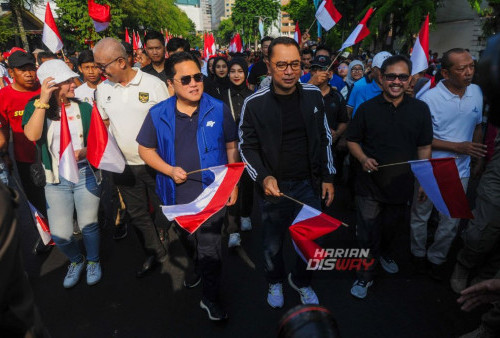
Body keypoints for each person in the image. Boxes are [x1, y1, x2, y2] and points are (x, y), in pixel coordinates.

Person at [136, 51, 238, 320]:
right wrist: (169, 170)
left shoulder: (218, 108)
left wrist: (232, 182)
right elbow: (145, 149)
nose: (194, 83)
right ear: (171, 84)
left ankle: (210, 298)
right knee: (189, 239)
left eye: (198, 77)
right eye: (186, 79)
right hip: (176, 197)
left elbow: (230, 145)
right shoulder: (157, 114)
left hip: (213, 195)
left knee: (211, 248)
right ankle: (199, 267)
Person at [239, 37, 335, 308]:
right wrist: (262, 176)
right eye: (281, 64)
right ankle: (275, 280)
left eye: (295, 64)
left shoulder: (313, 95)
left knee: (309, 240)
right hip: (273, 191)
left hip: (310, 185)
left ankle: (302, 282)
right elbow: (247, 146)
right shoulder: (254, 103)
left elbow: (325, 137)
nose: (289, 71)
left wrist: (328, 177)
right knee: (272, 244)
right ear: (268, 66)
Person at [346, 55, 433, 299]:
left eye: (402, 77)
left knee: (390, 229)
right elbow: (352, 140)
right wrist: (363, 159)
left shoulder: (420, 110)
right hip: (369, 187)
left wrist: (424, 180)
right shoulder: (366, 109)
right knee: (366, 234)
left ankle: (383, 252)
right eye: (391, 76)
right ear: (382, 79)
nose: (396, 81)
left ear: (409, 80)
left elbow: (424, 147)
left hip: (401, 186)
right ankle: (364, 276)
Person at [93, 37, 170, 277]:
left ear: (121, 61)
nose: (99, 71)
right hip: (122, 167)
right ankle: (155, 252)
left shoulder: (153, 84)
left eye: (102, 66)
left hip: (155, 164)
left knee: (164, 209)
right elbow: (105, 125)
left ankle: (170, 239)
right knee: (137, 214)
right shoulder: (103, 89)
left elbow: (168, 124)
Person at [23, 59, 102, 288]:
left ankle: (94, 261)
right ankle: (77, 260)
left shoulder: (84, 108)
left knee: (89, 225)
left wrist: (86, 151)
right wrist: (43, 101)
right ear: (53, 84)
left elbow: (97, 143)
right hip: (55, 180)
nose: (74, 84)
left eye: (72, 80)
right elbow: (32, 135)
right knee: (60, 234)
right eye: (67, 81)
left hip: (84, 173)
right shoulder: (35, 106)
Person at [409, 48, 486, 280]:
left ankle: (437, 259)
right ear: (444, 72)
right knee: (421, 215)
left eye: (471, 66)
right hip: (430, 168)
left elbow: (478, 126)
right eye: (461, 69)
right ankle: (417, 254)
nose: (469, 72)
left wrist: (477, 157)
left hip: (460, 171)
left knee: (451, 220)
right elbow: (419, 139)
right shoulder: (429, 99)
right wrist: (456, 147)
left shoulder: (477, 92)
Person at [0, 51, 50, 254]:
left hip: (52, 155)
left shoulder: (46, 89)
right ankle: (47, 236)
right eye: (22, 70)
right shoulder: (4, 96)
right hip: (26, 159)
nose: (29, 74)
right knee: (36, 200)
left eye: (31, 68)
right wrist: (4, 154)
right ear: (11, 72)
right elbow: (3, 128)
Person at [221, 58, 254, 248]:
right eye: (232, 71)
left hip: (248, 148)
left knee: (248, 185)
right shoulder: (222, 96)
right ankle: (232, 230)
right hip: (227, 147)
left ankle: (246, 214)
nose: (236, 75)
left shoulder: (252, 95)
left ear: (245, 74)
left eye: (240, 71)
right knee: (230, 187)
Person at [347, 51, 392, 118]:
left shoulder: (397, 91)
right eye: (382, 69)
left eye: (390, 70)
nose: (386, 73)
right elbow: (350, 114)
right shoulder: (361, 89)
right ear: (373, 69)